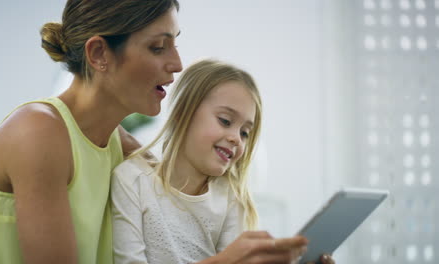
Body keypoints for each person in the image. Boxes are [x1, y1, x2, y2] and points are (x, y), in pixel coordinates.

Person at [0, 1, 181, 263]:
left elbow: (188, 208)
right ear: (98, 53)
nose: (177, 64)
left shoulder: (116, 143)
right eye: (158, 47)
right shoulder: (38, 133)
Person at [111, 59, 335, 264]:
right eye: (225, 121)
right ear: (182, 113)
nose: (236, 138)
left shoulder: (228, 198)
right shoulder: (132, 179)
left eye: (245, 133)